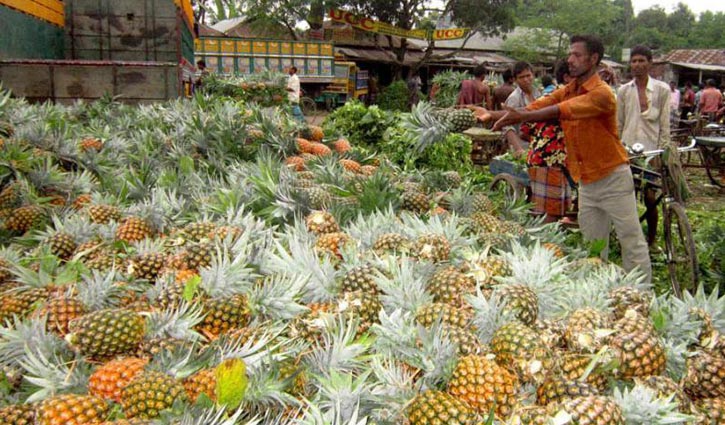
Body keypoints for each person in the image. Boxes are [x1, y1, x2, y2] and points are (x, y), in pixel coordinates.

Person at [470, 34, 652, 282]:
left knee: (631, 239)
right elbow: (538, 105)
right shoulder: (569, 89)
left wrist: (521, 118)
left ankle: (642, 295)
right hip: (586, 181)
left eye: (577, 55)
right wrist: (491, 114)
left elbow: (560, 111)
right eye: (570, 54)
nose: (570, 60)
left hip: (612, 177)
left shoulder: (602, 94)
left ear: (593, 59)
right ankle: (599, 294)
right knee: (594, 246)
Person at [616, 44, 671, 247]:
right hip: (627, 151)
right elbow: (618, 123)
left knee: (650, 197)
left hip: (651, 152)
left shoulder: (662, 90)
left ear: (650, 63)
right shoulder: (623, 91)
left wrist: (663, 152)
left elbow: (665, 125)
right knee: (626, 197)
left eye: (642, 61)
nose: (637, 65)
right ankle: (628, 238)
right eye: (634, 61)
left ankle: (651, 239)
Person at [522, 61, 574, 223]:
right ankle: (542, 245)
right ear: (567, 77)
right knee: (549, 214)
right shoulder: (561, 98)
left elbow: (525, 128)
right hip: (549, 161)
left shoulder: (551, 96)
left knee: (556, 211)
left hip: (553, 161)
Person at [502, 61, 541, 156]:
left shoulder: (538, 94)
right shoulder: (514, 98)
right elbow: (507, 125)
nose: (526, 79)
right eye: (521, 77)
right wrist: (518, 149)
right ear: (515, 80)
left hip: (537, 145)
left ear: (533, 75)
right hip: (522, 148)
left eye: (528, 75)